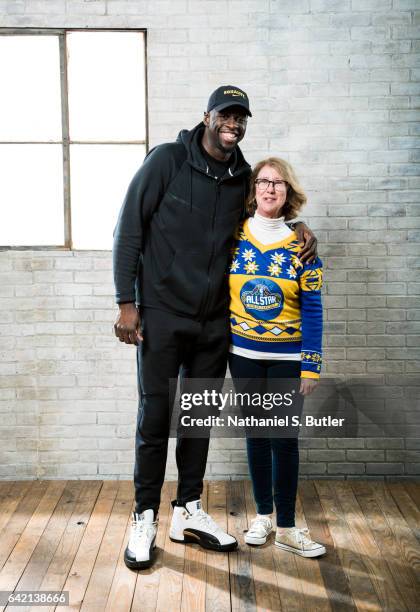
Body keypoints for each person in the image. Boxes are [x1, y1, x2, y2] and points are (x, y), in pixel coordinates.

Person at [113, 86, 318, 570]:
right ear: (206, 116)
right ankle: (144, 516)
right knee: (156, 418)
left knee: (197, 419)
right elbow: (129, 230)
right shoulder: (166, 161)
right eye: (226, 114)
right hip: (162, 314)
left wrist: (303, 229)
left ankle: (188, 510)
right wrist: (127, 302)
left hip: (214, 325)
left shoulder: (243, 178)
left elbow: (270, 213)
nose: (234, 123)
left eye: (241, 117)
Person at [228, 157, 326, 558]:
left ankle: (286, 526)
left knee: (284, 440)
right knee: (256, 435)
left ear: (289, 193)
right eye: (264, 181)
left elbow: (314, 309)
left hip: (287, 359)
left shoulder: (301, 246)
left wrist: (311, 365)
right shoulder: (230, 237)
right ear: (253, 189)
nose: (270, 189)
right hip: (243, 355)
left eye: (279, 183)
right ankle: (262, 516)